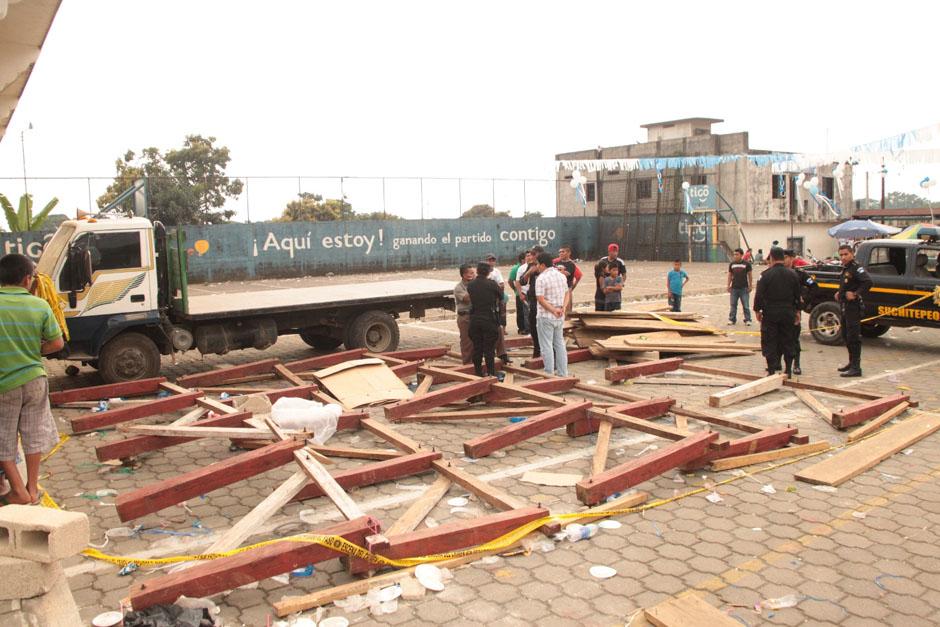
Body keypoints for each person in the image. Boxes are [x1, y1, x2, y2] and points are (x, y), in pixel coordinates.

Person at [0, 253, 64, 505]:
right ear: (28, 279)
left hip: (4, 383)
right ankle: (32, 488)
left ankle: (17, 490)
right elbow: (57, 343)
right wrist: (32, 350)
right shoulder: (40, 305)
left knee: (3, 436)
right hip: (35, 380)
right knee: (33, 434)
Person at [753, 248, 801, 377]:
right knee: (788, 340)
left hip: (771, 312)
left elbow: (759, 295)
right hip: (788, 312)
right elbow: (798, 295)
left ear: (772, 258)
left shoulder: (765, 275)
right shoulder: (793, 274)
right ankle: (788, 370)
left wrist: (757, 310)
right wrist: (798, 311)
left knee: (770, 341)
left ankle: (772, 370)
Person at [835, 243, 872, 377]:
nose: (843, 257)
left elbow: (868, 282)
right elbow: (846, 284)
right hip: (845, 306)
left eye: (846, 254)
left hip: (853, 307)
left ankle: (856, 367)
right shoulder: (846, 268)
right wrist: (840, 293)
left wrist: (856, 294)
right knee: (845, 335)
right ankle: (851, 362)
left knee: (853, 337)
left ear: (852, 254)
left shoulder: (857, 268)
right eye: (841, 255)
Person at [534, 252, 570, 377]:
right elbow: (567, 293)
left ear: (543, 265)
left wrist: (553, 310)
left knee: (546, 346)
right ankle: (563, 373)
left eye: (537, 264)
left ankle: (548, 373)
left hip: (546, 316)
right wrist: (563, 308)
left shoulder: (541, 278)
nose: (536, 267)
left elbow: (540, 298)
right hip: (559, 316)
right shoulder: (561, 276)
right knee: (559, 344)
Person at [783, 249, 817, 375]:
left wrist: (804, 302)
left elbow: (814, 287)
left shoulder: (800, 274)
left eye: (786, 257)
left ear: (792, 258)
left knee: (794, 339)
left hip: (793, 311)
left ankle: (796, 364)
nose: (784, 260)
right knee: (779, 338)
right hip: (781, 310)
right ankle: (777, 363)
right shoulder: (778, 273)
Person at [467, 262, 502, 377]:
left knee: (477, 348)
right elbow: (501, 296)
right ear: (488, 272)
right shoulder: (491, 284)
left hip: (475, 319)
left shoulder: (471, 285)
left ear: (477, 271)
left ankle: (478, 372)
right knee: (489, 349)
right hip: (489, 319)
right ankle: (491, 372)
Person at [484, 253, 510, 364]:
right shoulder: (481, 277)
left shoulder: (497, 272)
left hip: (494, 302)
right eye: (489, 260)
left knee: (498, 327)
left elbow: (501, 285)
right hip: (486, 307)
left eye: (493, 260)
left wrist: (499, 297)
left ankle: (502, 354)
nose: (491, 262)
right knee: (489, 333)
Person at [519, 246, 544, 357]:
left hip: (545, 300)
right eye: (531, 254)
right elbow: (522, 282)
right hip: (533, 300)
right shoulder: (530, 265)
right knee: (533, 326)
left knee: (544, 326)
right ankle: (536, 351)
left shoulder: (547, 264)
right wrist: (529, 273)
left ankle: (548, 352)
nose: (532, 257)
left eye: (534, 254)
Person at [453, 264, 476, 364]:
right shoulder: (459, 288)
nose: (471, 275)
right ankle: (467, 363)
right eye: (469, 273)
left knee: (476, 340)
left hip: (474, 315)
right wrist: (474, 286)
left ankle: (475, 362)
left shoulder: (474, 284)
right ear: (463, 275)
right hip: (464, 317)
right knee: (466, 341)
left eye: (473, 273)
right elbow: (466, 299)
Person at [595, 244, 626, 311]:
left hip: (614, 291)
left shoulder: (620, 262)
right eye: (613, 251)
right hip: (604, 290)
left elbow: (624, 275)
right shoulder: (602, 260)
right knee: (601, 309)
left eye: (616, 251)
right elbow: (598, 273)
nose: (615, 253)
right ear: (609, 252)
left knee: (614, 310)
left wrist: (620, 283)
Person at [727, 248, 753, 326]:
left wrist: (750, 285)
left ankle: (748, 319)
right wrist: (728, 285)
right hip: (734, 288)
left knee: (746, 305)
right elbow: (730, 275)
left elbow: (750, 275)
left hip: (744, 288)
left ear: (741, 255)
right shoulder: (732, 264)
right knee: (733, 305)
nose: (735, 256)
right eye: (734, 254)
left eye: (737, 254)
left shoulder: (747, 264)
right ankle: (732, 319)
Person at [553, 245, 582, 313]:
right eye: (559, 252)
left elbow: (565, 274)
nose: (561, 253)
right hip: (557, 289)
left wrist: (571, 288)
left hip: (567, 289)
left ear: (569, 253)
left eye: (563, 252)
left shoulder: (571, 264)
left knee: (567, 312)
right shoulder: (556, 262)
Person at [507, 252, 528, 335]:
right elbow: (510, 281)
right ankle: (521, 328)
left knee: (527, 312)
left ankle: (527, 328)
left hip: (527, 293)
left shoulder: (528, 267)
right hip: (520, 294)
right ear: (523, 260)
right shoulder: (516, 268)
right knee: (521, 312)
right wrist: (515, 290)